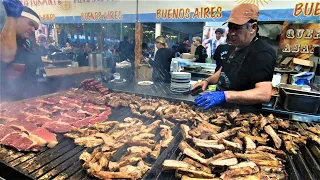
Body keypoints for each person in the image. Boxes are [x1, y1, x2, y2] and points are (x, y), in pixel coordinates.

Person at [192, 3, 276, 113]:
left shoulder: (262, 52)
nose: (231, 33)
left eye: (237, 28)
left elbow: (264, 94)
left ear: (253, 27)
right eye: (230, 28)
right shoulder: (235, 46)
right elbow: (225, 71)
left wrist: (224, 95)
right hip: (221, 111)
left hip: (242, 116)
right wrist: (207, 81)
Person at [1, 5, 49, 101]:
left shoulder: (26, 44)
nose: (33, 30)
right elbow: (7, 56)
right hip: (6, 102)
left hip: (27, 100)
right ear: (16, 19)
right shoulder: (3, 40)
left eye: (35, 28)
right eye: (30, 24)